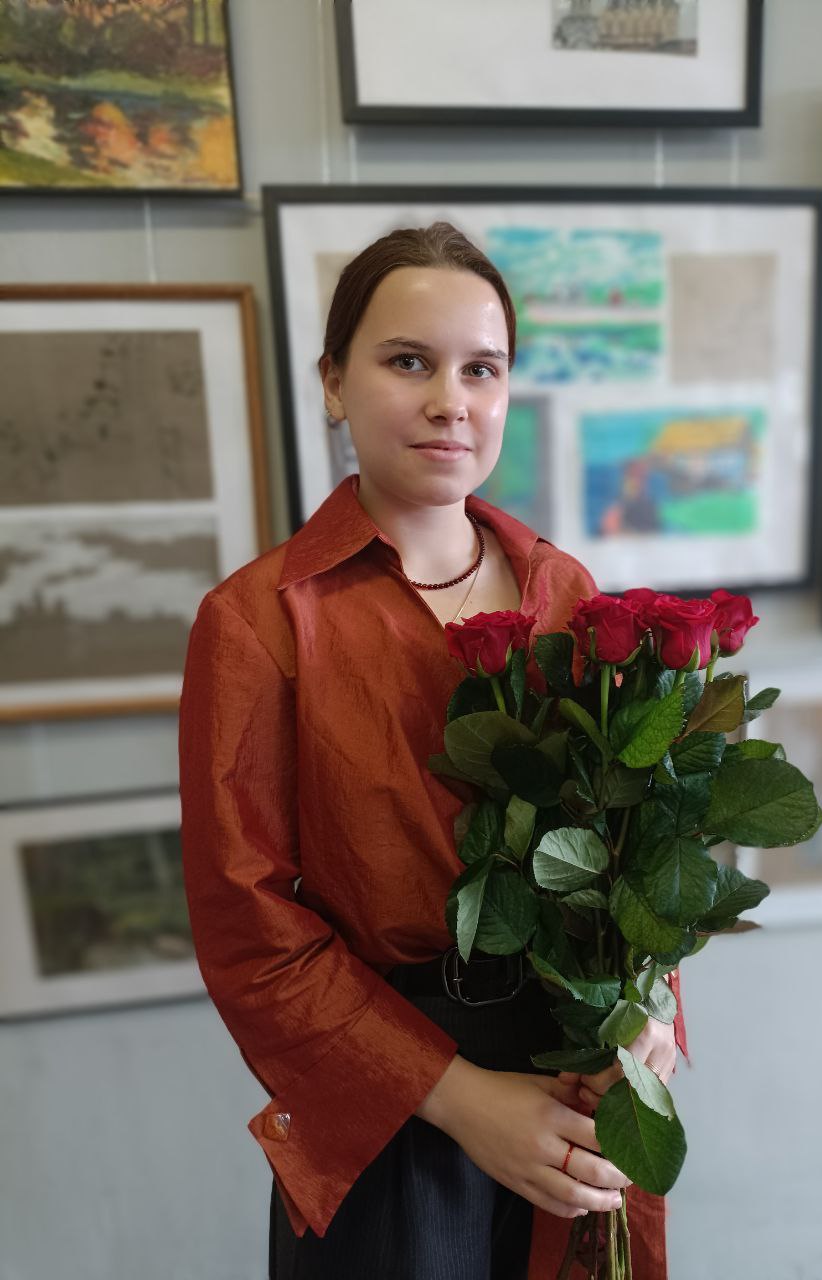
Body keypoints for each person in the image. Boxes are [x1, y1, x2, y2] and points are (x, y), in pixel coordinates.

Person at [178, 222, 683, 1279]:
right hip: (391, 1102)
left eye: (480, 368)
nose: (451, 400)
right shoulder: (258, 623)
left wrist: (649, 1014)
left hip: (577, 1064)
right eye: (408, 361)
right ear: (333, 380)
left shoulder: (566, 592)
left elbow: (632, 843)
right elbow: (247, 927)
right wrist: (460, 1099)